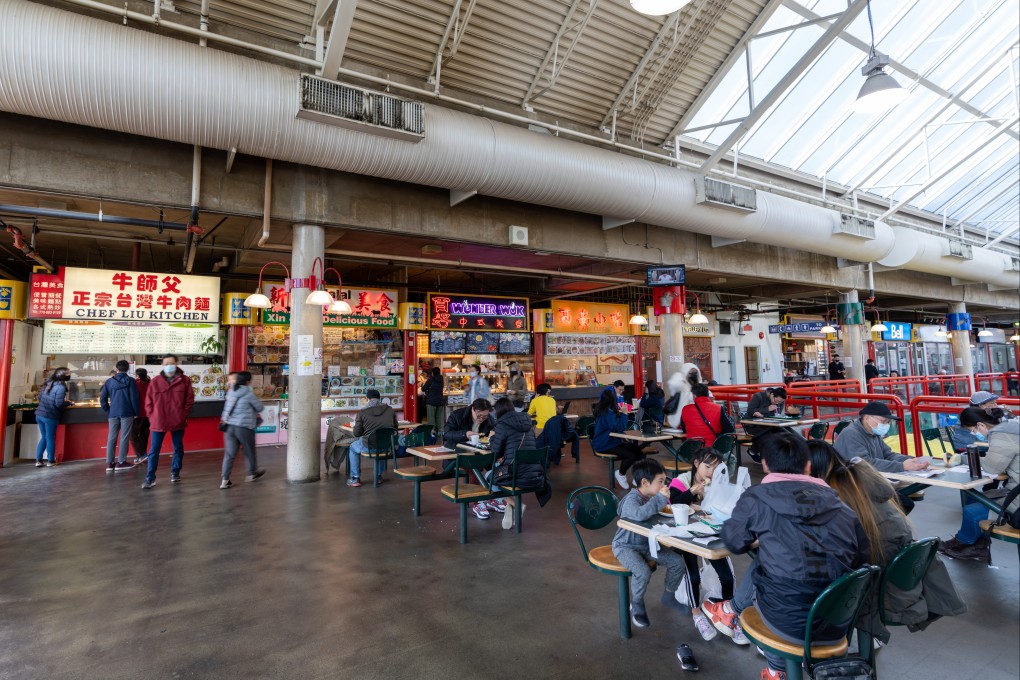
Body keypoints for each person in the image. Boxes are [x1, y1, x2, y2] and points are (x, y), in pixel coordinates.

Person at [702, 433, 870, 679]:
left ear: (766, 465)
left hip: (789, 622)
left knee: (769, 573)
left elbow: (734, 541)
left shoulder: (758, 497)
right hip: (837, 621)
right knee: (780, 564)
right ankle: (772, 664)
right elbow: (861, 559)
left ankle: (776, 668)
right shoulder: (840, 505)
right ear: (808, 465)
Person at [807, 441, 965, 642]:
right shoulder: (859, 480)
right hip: (894, 581)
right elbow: (905, 502)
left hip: (871, 590)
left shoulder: (832, 498)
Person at [667, 447, 736, 642]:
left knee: (726, 576)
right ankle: (697, 614)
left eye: (715, 468)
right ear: (696, 464)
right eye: (707, 466)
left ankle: (728, 612)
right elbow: (672, 503)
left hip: (710, 533)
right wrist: (691, 492)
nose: (711, 472)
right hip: (685, 534)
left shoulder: (718, 483)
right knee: (693, 576)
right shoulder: (681, 481)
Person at [611, 458, 688, 629]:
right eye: (660, 481)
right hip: (625, 546)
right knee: (643, 572)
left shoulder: (650, 496)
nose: (664, 485)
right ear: (645, 482)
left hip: (647, 544)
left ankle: (669, 595)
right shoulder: (632, 499)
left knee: (677, 562)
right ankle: (637, 603)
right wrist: (660, 499)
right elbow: (640, 515)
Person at [940, 410, 1019, 562]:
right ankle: (974, 542)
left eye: (973, 430)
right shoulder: (1011, 427)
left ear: (981, 425)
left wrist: (962, 459)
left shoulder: (1002, 435)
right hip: (1015, 489)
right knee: (973, 499)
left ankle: (968, 544)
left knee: (972, 510)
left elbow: (992, 468)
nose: (975, 434)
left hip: (1017, 496)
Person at [833, 401, 930, 514]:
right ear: (867, 418)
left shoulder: (874, 434)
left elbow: (888, 454)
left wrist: (911, 460)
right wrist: (902, 466)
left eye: (888, 422)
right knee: (903, 504)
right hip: (855, 487)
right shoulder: (851, 434)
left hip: (871, 481)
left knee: (904, 503)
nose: (886, 425)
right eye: (883, 421)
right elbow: (864, 464)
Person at [142, 355, 195, 490]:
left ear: (176, 364)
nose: (169, 365)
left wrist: (183, 414)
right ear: (162, 365)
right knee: (154, 450)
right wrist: (151, 416)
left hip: (178, 420)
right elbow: (148, 402)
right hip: (158, 421)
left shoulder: (185, 381)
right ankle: (150, 478)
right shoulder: (155, 381)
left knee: (178, 448)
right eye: (166, 363)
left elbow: (189, 399)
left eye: (171, 363)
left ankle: (175, 472)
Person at [488, 397, 538, 529]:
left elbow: (495, 453)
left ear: (498, 411)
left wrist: (492, 437)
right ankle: (509, 506)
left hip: (515, 473)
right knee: (500, 468)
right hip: (535, 472)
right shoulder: (527, 422)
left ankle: (515, 504)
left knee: (488, 477)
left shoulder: (502, 424)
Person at [219, 371, 266, 489]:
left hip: (229, 427)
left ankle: (225, 480)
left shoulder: (231, 392)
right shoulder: (248, 393)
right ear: (247, 381)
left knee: (229, 454)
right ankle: (252, 473)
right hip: (244, 427)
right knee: (249, 451)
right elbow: (260, 408)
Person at [346, 388, 398, 488]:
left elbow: (357, 433)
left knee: (352, 447)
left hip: (368, 446)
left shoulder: (362, 412)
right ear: (380, 398)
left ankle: (355, 478)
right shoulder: (390, 410)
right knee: (382, 441)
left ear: (367, 399)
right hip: (386, 446)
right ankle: (378, 476)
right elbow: (395, 428)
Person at [593, 389, 643, 489]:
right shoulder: (608, 412)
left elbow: (614, 428)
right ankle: (621, 474)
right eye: (617, 395)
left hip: (607, 441)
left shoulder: (604, 410)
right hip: (605, 444)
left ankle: (638, 476)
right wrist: (624, 413)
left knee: (639, 451)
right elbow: (618, 427)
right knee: (631, 454)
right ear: (612, 398)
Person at [100, 359, 140, 472]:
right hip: (127, 413)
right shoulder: (131, 381)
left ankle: (110, 463)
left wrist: (108, 410)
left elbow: (102, 399)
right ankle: (121, 462)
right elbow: (134, 398)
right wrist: (136, 412)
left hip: (113, 413)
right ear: (128, 369)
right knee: (124, 437)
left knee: (111, 438)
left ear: (116, 369)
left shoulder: (109, 382)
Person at [34, 367, 74, 467]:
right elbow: (58, 404)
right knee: (50, 437)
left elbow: (39, 397)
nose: (69, 375)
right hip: (50, 416)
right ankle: (50, 461)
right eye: (68, 373)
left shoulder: (48, 383)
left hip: (39, 414)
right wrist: (68, 403)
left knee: (44, 437)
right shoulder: (60, 387)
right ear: (63, 376)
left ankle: (38, 460)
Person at [680, 383, 724, 447]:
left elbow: (684, 429)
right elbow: (729, 428)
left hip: (692, 450)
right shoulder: (719, 408)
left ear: (694, 395)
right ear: (707, 394)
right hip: (714, 449)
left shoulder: (685, 409)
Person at [666, 363, 703, 429]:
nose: (694, 375)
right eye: (691, 373)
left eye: (695, 372)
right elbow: (673, 384)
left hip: (697, 419)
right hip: (682, 419)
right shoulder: (682, 385)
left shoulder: (701, 387)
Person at [131, 368, 151, 464]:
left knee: (132, 435)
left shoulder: (135, 384)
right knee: (144, 435)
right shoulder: (150, 383)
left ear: (137, 375)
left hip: (138, 414)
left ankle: (142, 455)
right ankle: (143, 456)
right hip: (149, 414)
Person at [421, 367, 447, 432]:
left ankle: (432, 432)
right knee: (439, 418)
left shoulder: (431, 379)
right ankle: (440, 433)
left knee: (431, 419)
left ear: (433, 373)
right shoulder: (442, 379)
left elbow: (423, 389)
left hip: (431, 402)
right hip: (440, 401)